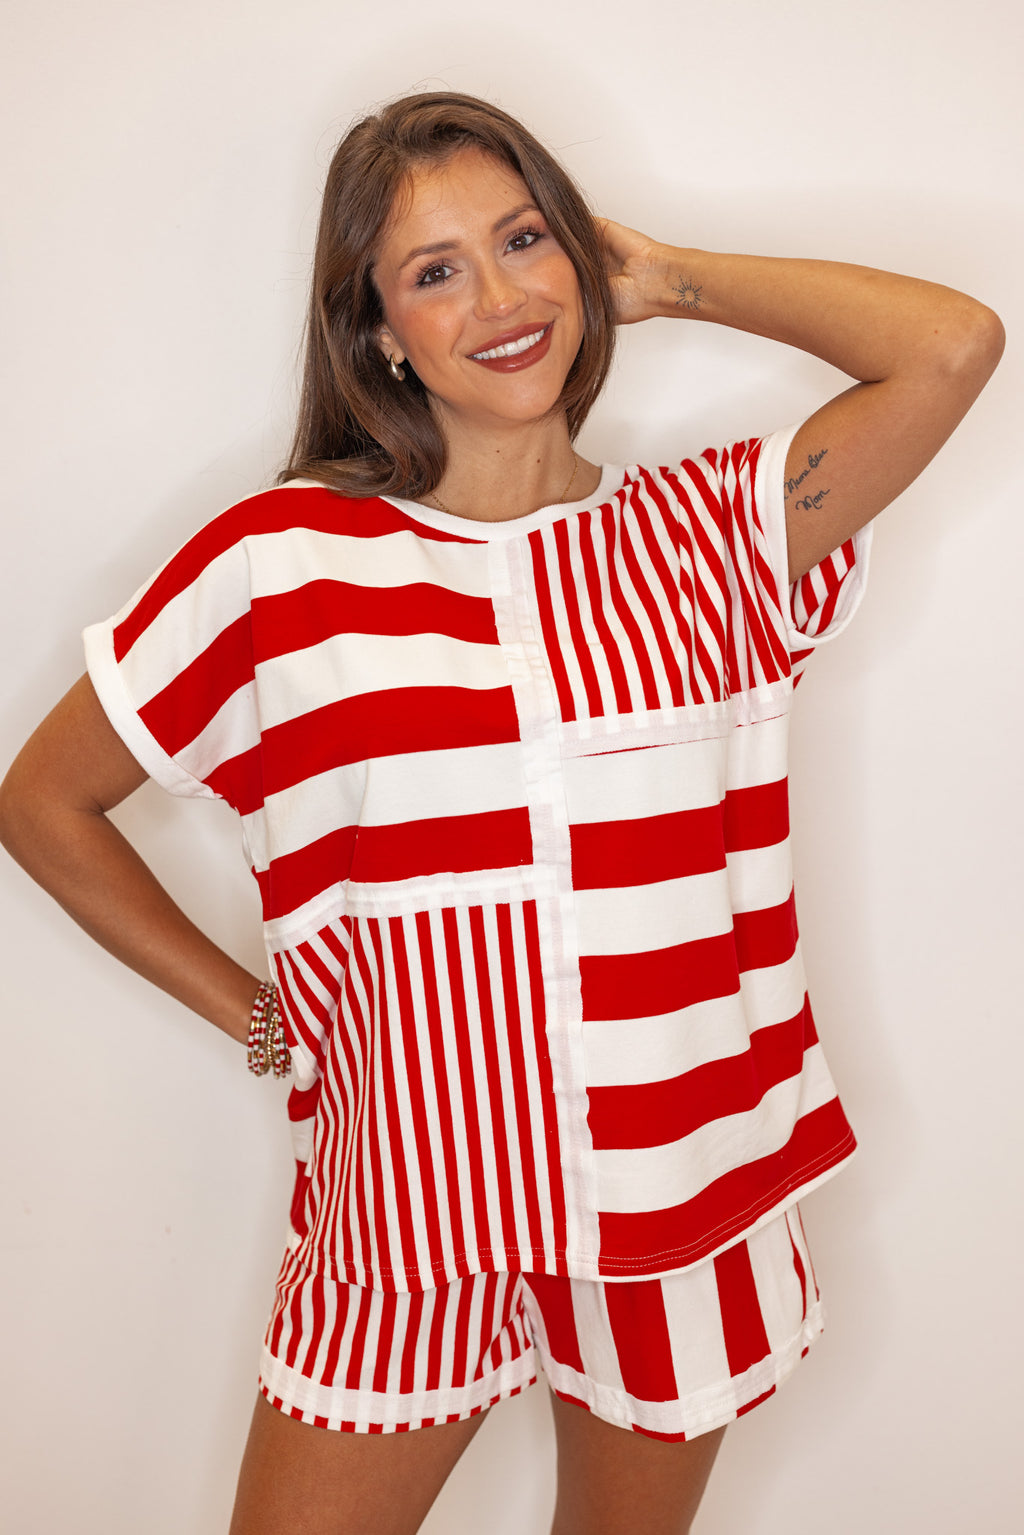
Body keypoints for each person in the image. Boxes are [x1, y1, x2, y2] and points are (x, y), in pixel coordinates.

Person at [0, 91, 1003, 1535]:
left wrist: (665, 277)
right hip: (409, 1200)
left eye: (525, 240)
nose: (500, 299)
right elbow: (45, 803)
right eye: (435, 271)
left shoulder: (716, 538)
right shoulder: (283, 563)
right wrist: (265, 1022)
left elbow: (954, 344)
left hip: (679, 1188)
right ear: (378, 333)